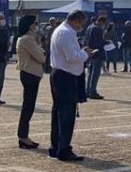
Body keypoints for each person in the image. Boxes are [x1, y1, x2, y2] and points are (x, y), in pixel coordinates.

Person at [49, 10, 91, 161]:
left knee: (58, 113)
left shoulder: (60, 30)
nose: (82, 26)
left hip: (59, 74)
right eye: (81, 23)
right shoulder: (66, 33)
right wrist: (86, 54)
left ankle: (56, 146)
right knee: (66, 114)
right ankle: (64, 149)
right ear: (75, 21)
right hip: (65, 76)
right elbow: (72, 56)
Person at [16, 18, 46, 150]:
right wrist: (42, 51)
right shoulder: (27, 39)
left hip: (30, 73)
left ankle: (24, 136)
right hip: (30, 73)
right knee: (28, 106)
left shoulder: (30, 38)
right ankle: (23, 136)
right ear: (29, 25)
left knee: (29, 105)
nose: (36, 26)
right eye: (35, 23)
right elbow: (41, 57)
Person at [83, 15, 107, 99]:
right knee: (95, 74)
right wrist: (106, 43)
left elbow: (85, 40)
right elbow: (99, 42)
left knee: (90, 73)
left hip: (89, 53)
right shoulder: (98, 29)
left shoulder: (89, 27)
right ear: (101, 22)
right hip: (97, 53)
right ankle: (92, 91)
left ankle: (87, 91)